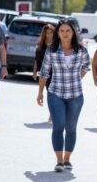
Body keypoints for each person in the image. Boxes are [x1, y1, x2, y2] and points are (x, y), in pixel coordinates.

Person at [37, 19, 90, 172]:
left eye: (68, 31)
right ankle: (59, 161)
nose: (65, 34)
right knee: (58, 126)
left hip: (75, 95)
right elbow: (44, 72)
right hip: (55, 94)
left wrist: (76, 78)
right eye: (62, 31)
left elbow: (87, 66)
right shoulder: (51, 50)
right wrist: (40, 92)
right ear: (57, 33)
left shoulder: (81, 50)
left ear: (73, 32)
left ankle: (67, 160)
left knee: (71, 128)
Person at [33, 24, 55, 123]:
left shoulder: (57, 44)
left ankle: (53, 114)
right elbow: (36, 60)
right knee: (49, 93)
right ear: (44, 33)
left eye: (51, 32)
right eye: (47, 33)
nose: (49, 35)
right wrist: (34, 72)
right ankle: (52, 113)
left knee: (55, 94)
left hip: (56, 72)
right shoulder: (41, 45)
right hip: (45, 73)